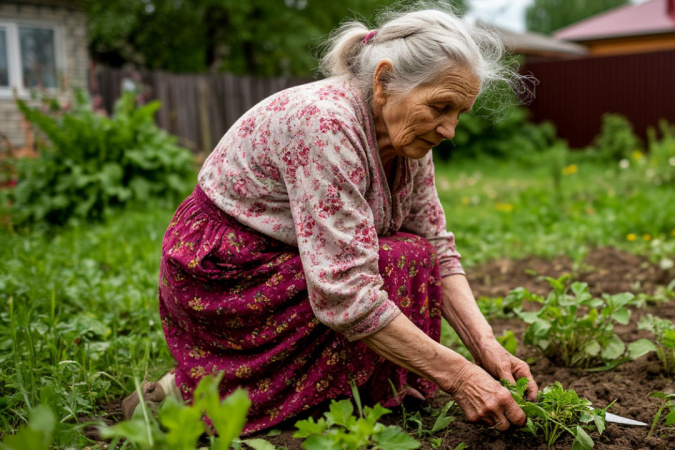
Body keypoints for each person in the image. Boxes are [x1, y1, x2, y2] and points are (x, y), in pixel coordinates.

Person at [124, 5, 538, 435]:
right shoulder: (325, 124)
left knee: (414, 254)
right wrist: (460, 376)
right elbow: (344, 293)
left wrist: (486, 348)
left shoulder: (409, 142)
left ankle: (356, 395)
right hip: (225, 270)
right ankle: (187, 396)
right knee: (390, 262)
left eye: (458, 113)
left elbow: (436, 247)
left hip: (290, 260)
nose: (449, 129)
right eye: (440, 107)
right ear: (383, 82)